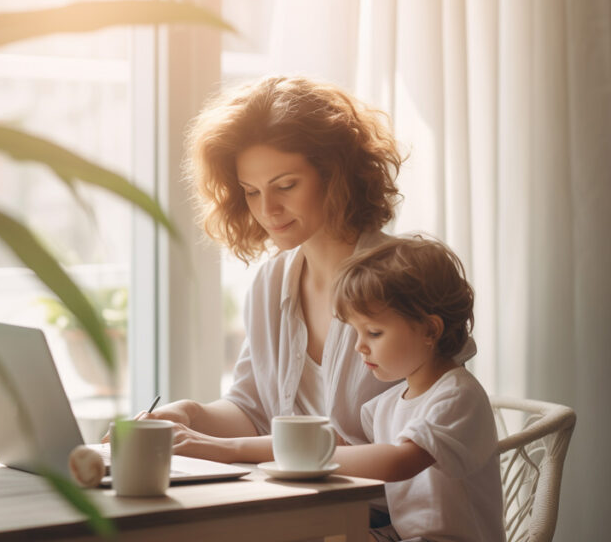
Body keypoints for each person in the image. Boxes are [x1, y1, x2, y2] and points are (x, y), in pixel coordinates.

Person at [134, 75, 475, 462]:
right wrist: (188, 415)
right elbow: (253, 411)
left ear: (335, 175)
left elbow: (413, 433)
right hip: (295, 499)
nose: (267, 210)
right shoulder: (271, 282)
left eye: (286, 185)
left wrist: (224, 449)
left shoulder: (406, 279)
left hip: (381, 509)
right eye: (251, 191)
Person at [330, 236, 504, 542]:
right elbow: (344, 450)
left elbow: (398, 462)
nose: (359, 346)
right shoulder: (386, 406)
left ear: (430, 329)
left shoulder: (458, 395)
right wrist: (233, 449)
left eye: (373, 332)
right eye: (356, 332)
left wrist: (305, 460)